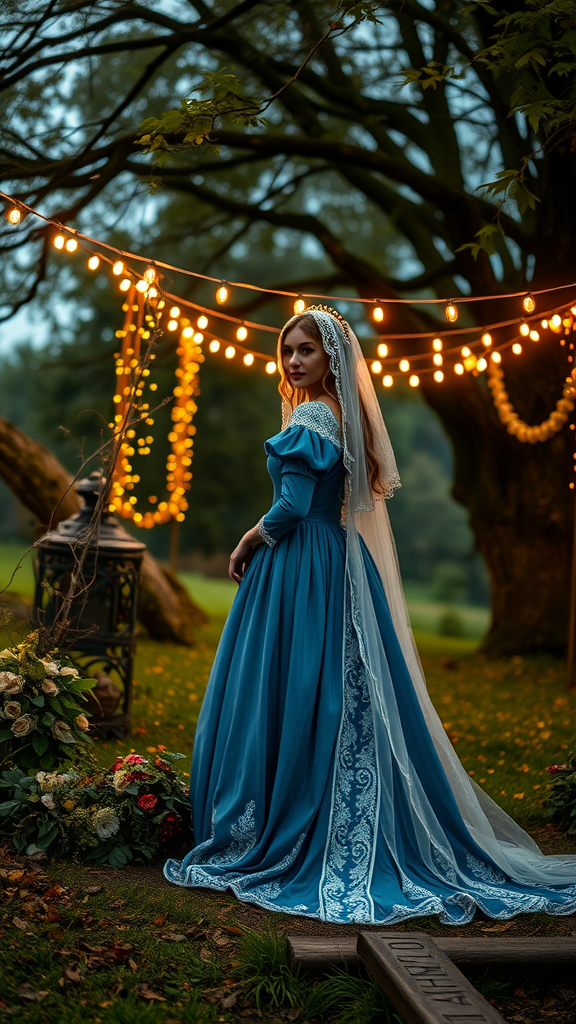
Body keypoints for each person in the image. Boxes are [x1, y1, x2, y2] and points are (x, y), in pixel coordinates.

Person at [164, 306, 576, 924]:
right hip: (338, 557)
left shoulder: (310, 415)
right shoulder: (343, 416)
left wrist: (251, 537)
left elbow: (293, 506)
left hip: (302, 561)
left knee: (295, 680)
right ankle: (336, 800)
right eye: (288, 351)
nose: (294, 361)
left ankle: (284, 815)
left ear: (331, 358)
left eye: (306, 350)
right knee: (338, 685)